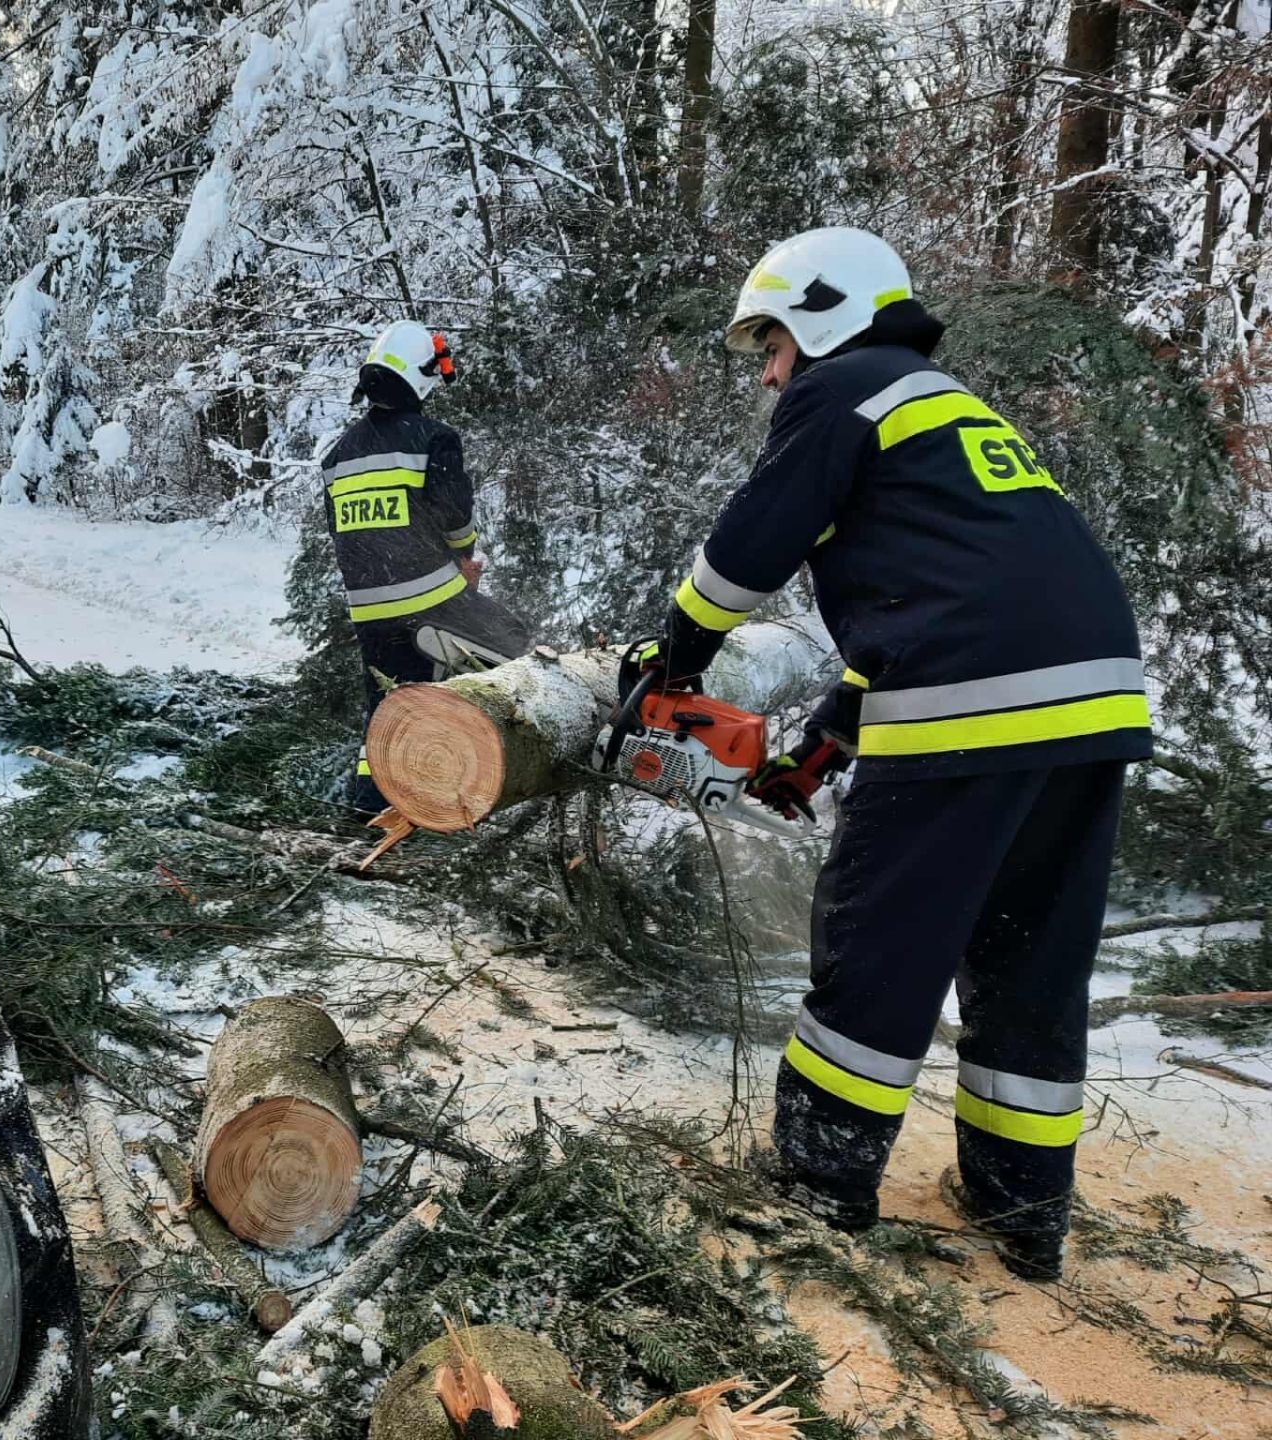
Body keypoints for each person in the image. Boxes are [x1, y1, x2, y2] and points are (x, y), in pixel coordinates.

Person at [638, 227, 1153, 1279]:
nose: (769, 373)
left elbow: (750, 544)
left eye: (773, 345)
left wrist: (672, 655)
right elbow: (957, 596)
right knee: (1028, 958)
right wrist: (829, 739)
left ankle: (819, 1184)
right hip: (1090, 701)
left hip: (975, 704)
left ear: (822, 317)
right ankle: (1025, 1213)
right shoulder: (947, 407)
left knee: (880, 942)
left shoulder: (844, 388)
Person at [321, 321, 531, 812]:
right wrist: (463, 558)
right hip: (431, 597)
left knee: (386, 711)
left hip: (369, 612)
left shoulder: (336, 457)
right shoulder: (433, 438)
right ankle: (499, 774)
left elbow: (343, 533)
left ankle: (370, 810)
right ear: (420, 375)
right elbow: (453, 513)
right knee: (516, 646)